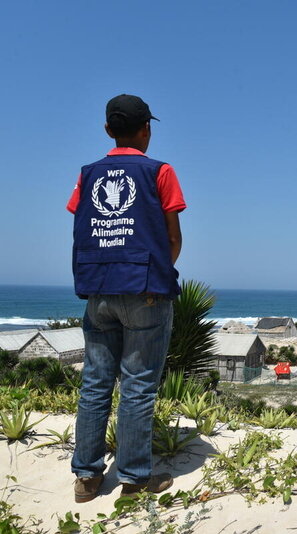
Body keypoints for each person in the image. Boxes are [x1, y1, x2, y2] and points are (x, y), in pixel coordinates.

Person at [67, 94, 186, 503]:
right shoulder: (160, 171)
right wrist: (153, 273)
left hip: (97, 289)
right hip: (145, 291)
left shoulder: (87, 174)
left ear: (107, 130)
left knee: (95, 382)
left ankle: (86, 477)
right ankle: (134, 478)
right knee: (137, 385)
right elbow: (173, 238)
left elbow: (80, 219)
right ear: (147, 129)